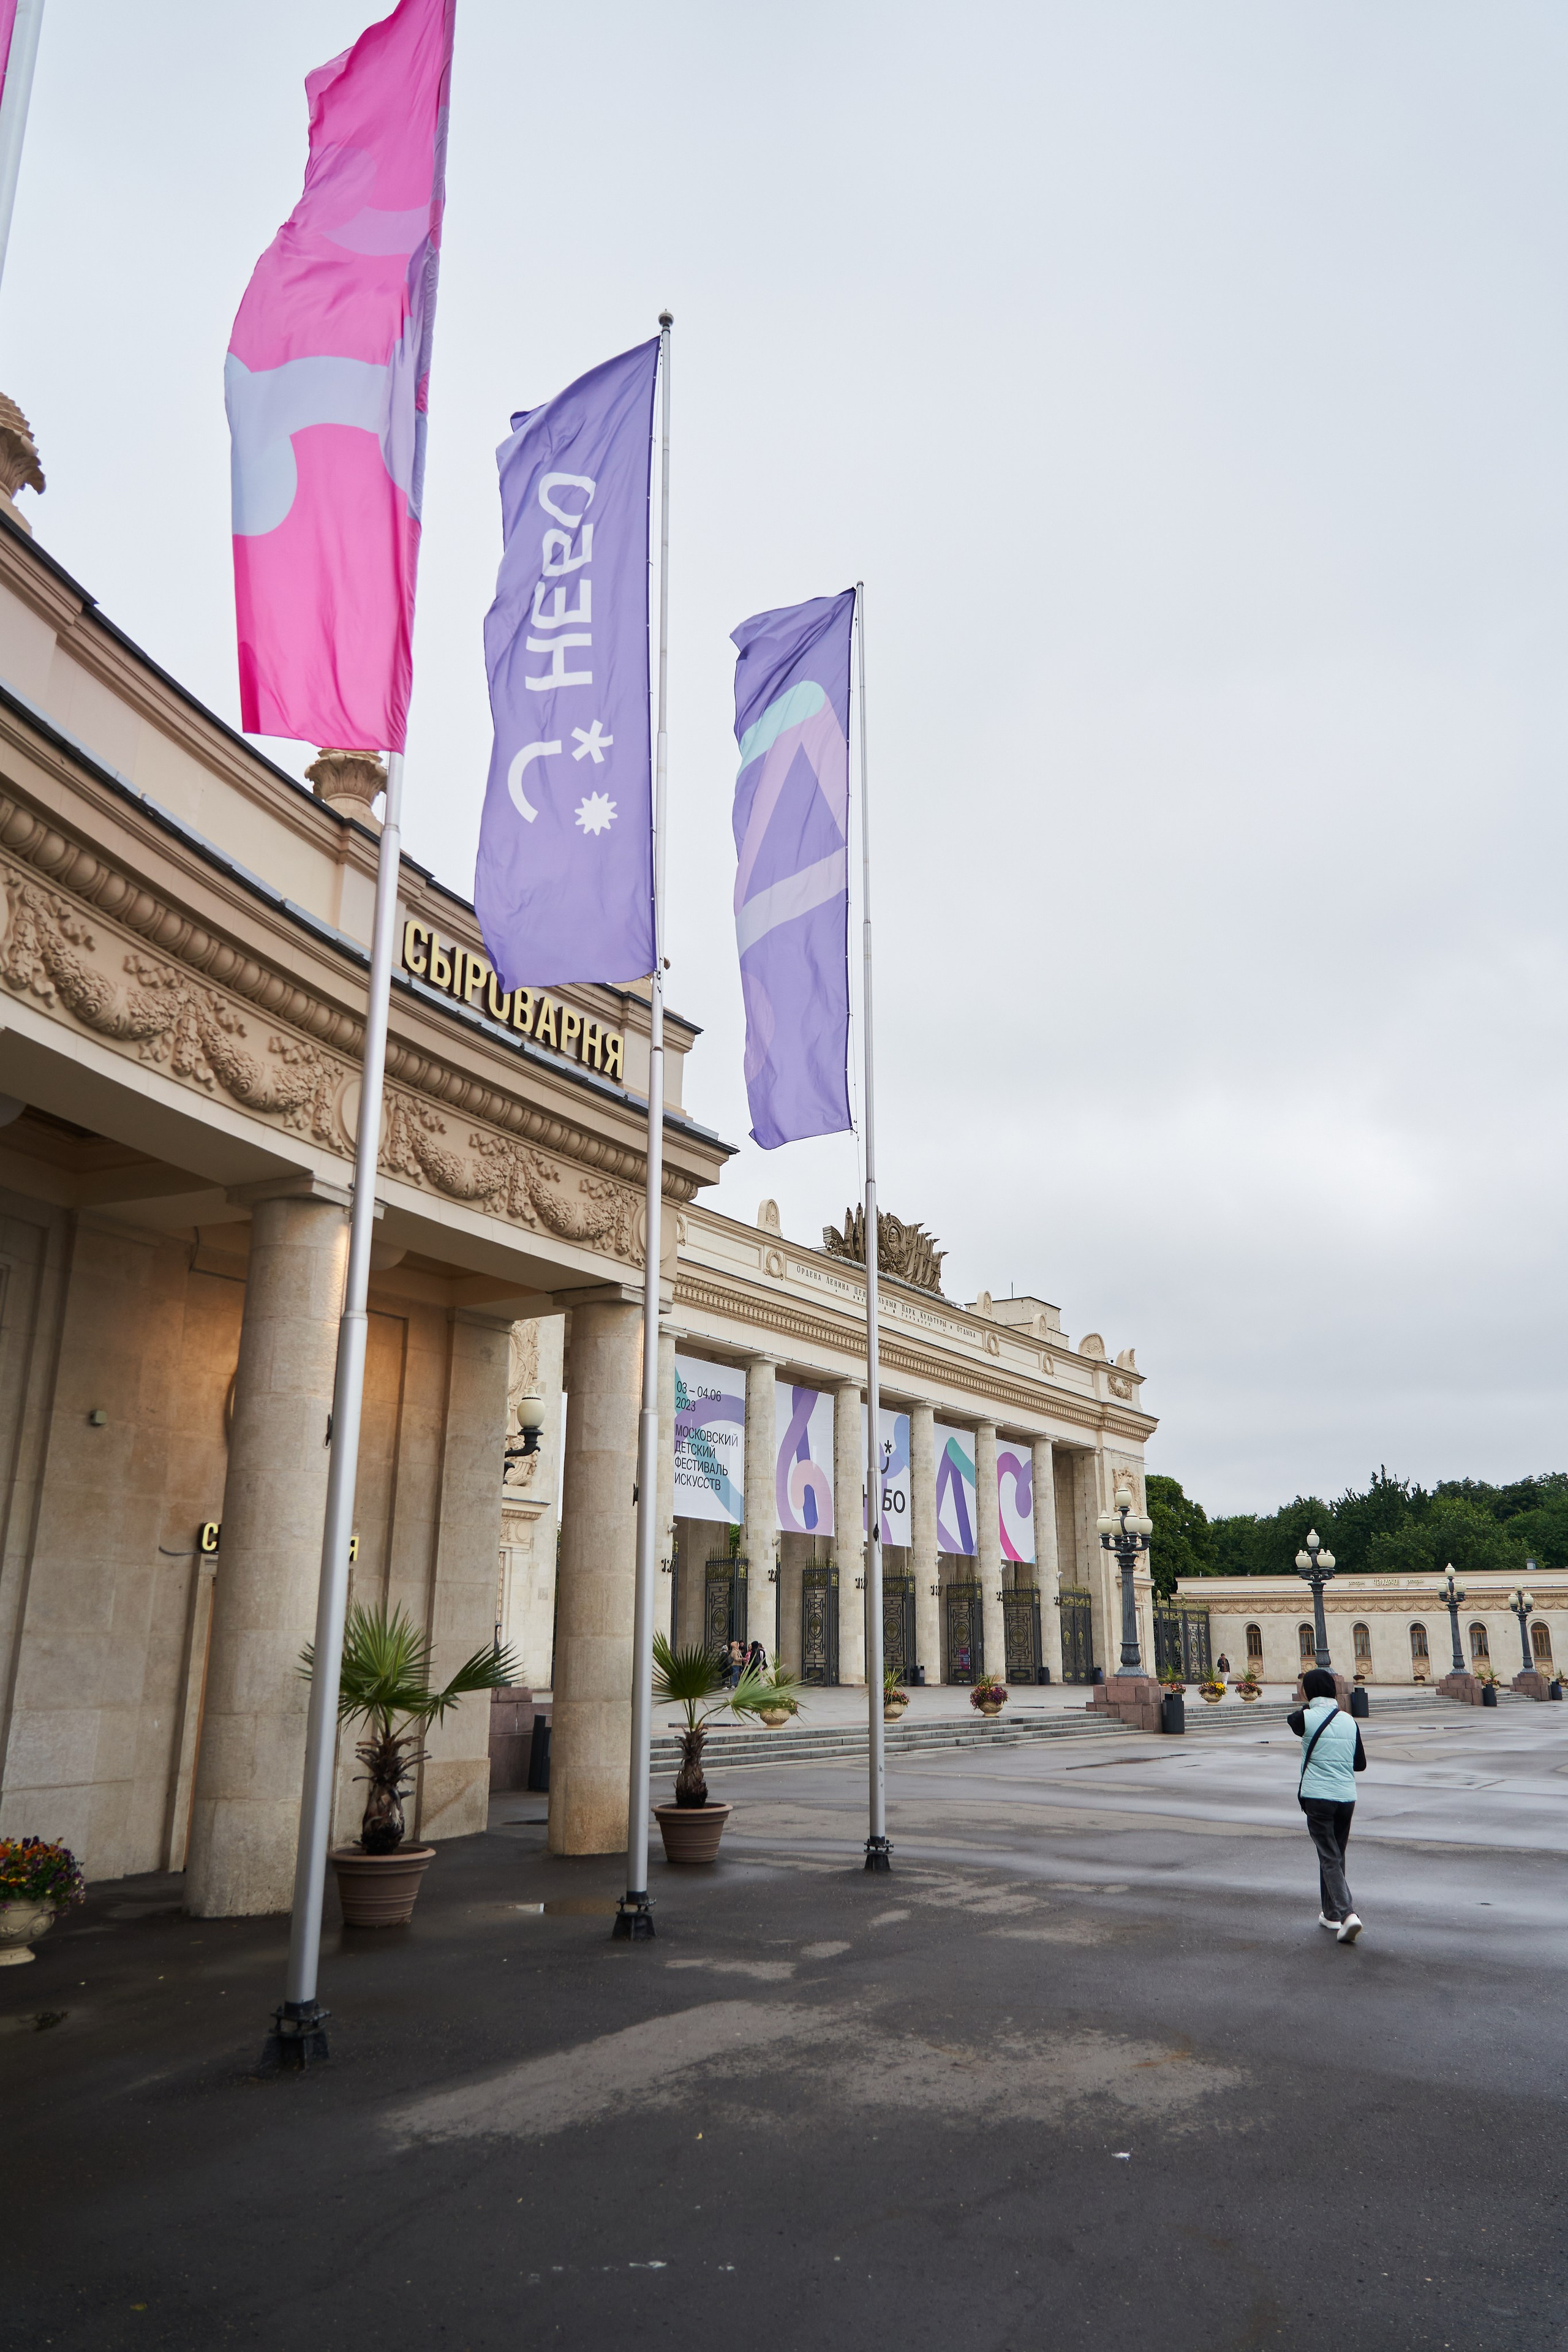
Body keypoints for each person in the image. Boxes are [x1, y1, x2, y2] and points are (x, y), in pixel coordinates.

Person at [1287, 1668, 1367, 1943]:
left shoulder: (1304, 1718)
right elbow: (1360, 1764)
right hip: (1346, 1798)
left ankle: (1347, 1914)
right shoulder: (1349, 1721)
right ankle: (1331, 1914)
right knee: (1335, 1856)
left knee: (1329, 1857)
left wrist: (1310, 1705)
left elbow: (1293, 1719)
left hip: (1318, 1797)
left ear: (1308, 1692)